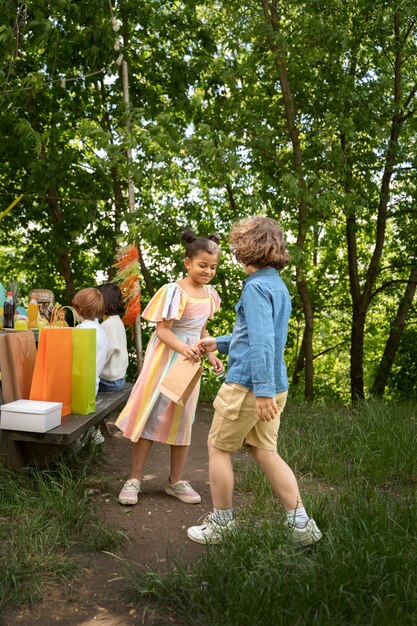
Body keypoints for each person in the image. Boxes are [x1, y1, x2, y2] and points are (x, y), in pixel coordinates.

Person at [187, 217, 323, 547]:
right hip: (274, 383)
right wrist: (217, 342)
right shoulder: (277, 284)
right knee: (264, 450)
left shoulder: (255, 288)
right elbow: (255, 335)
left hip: (249, 385)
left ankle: (222, 523)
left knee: (217, 447)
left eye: (237, 246)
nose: (234, 251)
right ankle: (302, 525)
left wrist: (261, 392)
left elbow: (261, 343)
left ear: (247, 249)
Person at [116, 230, 223, 507]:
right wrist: (184, 348)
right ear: (188, 263)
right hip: (166, 359)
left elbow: (200, 328)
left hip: (190, 363)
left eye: (213, 266)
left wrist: (210, 353)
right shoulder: (173, 291)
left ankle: (175, 481)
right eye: (203, 265)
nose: (208, 271)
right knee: (152, 414)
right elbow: (163, 331)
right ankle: (134, 479)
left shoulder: (210, 294)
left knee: (183, 419)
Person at [71, 287, 109, 396]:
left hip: (79, 390)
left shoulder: (83, 330)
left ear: (80, 308)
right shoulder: (99, 329)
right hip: (92, 388)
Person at [97, 282, 129, 392]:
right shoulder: (116, 320)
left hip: (110, 382)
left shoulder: (107, 325)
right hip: (118, 378)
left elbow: (104, 355)